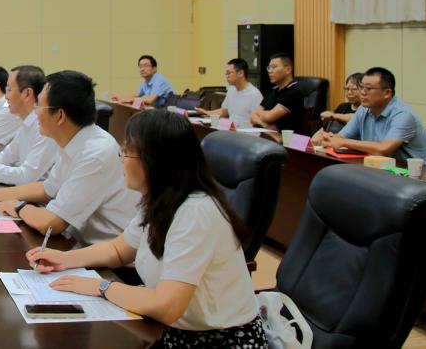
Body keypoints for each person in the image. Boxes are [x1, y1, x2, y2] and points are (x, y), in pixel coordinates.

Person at [27, 109, 265, 348]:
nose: (121, 158)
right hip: (167, 328)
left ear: (156, 160)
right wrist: (63, 259)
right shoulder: (161, 199)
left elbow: (166, 306)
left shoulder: (195, 211)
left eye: (127, 151)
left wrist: (101, 287)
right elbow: (118, 250)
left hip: (216, 341)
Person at [0, 70, 138, 243]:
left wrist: (17, 206)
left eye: (39, 105)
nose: (35, 112)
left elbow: (51, 223)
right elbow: (47, 189)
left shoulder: (95, 153)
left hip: (104, 252)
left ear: (60, 116)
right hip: (77, 239)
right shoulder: (74, 139)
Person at [0, 65, 59, 185]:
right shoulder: (26, 122)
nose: (6, 96)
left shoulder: (45, 126)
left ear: (27, 94)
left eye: (9, 90)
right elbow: (6, 156)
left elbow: (26, 177)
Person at [314, 67, 426, 160]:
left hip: (412, 174)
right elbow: (341, 137)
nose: (362, 93)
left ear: (387, 93)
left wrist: (343, 142)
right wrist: (327, 138)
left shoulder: (403, 115)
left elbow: (383, 149)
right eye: (361, 87)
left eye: (368, 88)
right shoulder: (364, 109)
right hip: (377, 167)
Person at [195, 58, 262, 128]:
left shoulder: (254, 94)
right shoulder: (231, 89)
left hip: (245, 132)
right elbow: (224, 111)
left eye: (229, 73)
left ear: (241, 73)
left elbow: (258, 121)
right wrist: (206, 112)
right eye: (226, 73)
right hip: (230, 129)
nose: (227, 76)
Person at [250, 53, 305, 133]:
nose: (270, 71)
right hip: (268, 135)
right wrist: (265, 124)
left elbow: (269, 117)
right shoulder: (273, 90)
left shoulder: (294, 91)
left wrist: (260, 114)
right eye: (269, 67)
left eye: (274, 67)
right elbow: (252, 117)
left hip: (289, 139)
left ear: (288, 69)